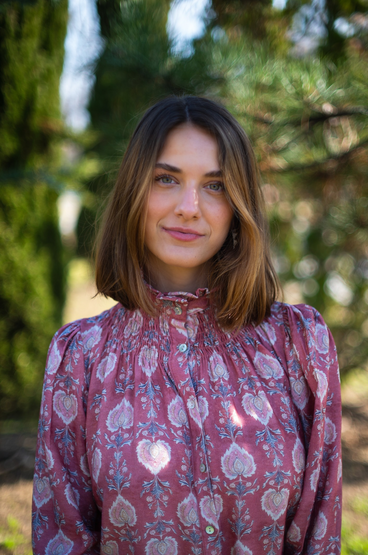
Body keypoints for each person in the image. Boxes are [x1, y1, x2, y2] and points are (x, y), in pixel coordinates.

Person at [32, 96, 342, 555]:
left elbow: (320, 532)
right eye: (166, 179)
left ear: (239, 205)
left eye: (215, 186)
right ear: (134, 190)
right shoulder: (81, 356)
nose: (189, 207)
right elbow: (64, 539)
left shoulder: (299, 345)